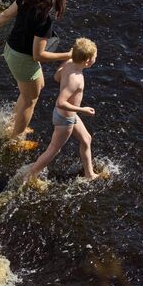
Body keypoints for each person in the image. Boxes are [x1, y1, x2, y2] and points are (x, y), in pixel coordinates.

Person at [0, 0, 73, 140]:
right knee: (30, 100)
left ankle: (14, 122)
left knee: (34, 89)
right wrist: (68, 55)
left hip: (10, 50)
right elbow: (38, 55)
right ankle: (16, 137)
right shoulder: (44, 19)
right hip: (23, 59)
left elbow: (6, 15)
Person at [24, 38, 98, 182]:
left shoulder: (69, 64)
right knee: (53, 150)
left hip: (69, 115)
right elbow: (61, 102)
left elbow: (57, 77)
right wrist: (82, 109)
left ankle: (89, 174)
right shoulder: (75, 79)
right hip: (65, 119)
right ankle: (30, 176)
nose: (96, 59)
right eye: (95, 57)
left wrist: (64, 64)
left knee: (86, 139)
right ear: (87, 61)